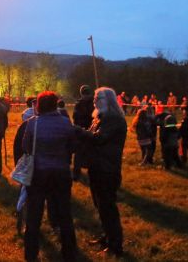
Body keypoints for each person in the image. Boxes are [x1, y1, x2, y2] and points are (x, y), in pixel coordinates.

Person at [23, 91, 78, 262]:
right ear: (56, 104)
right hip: (61, 172)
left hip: (39, 173)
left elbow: (26, 147)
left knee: (34, 214)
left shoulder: (33, 124)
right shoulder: (65, 123)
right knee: (65, 215)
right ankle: (69, 253)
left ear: (38, 105)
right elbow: (73, 146)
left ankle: (31, 254)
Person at [75, 87, 127, 257]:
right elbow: (91, 135)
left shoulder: (114, 119)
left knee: (108, 207)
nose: (95, 101)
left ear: (109, 100)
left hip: (107, 169)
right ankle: (107, 237)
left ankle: (115, 245)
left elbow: (99, 138)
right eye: (95, 98)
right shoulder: (99, 117)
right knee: (100, 205)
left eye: (99, 98)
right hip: (97, 167)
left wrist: (77, 131)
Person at [72, 85, 94, 181]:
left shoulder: (79, 103)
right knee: (89, 151)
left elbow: (75, 117)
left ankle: (77, 173)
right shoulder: (94, 103)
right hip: (90, 130)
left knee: (79, 153)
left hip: (81, 130)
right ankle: (90, 172)